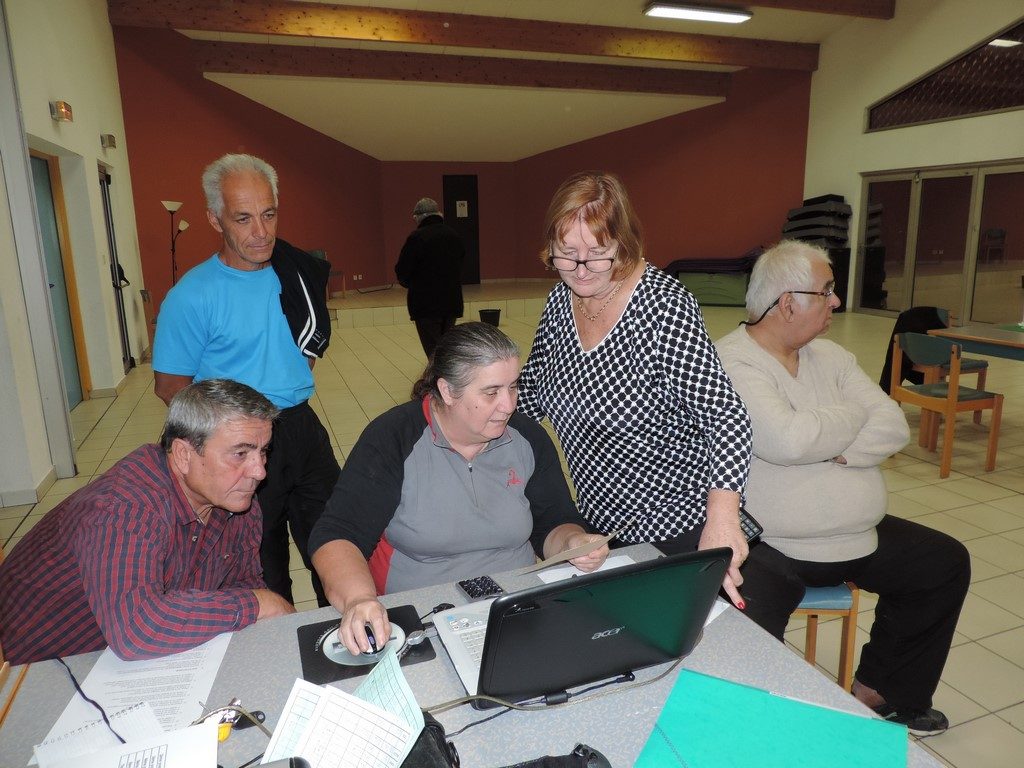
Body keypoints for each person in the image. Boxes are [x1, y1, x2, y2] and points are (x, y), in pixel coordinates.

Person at [715, 240, 970, 736]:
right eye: (826, 291)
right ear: (788, 302)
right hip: (777, 543)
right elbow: (787, 440)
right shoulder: (731, 362)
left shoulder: (829, 355)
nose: (836, 302)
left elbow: (893, 425)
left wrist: (829, 439)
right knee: (755, 597)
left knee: (942, 562)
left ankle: (883, 694)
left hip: (858, 535)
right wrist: (851, 419)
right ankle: (750, 726)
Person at [517, 171, 752, 605]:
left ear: (624, 244)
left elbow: (727, 417)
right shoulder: (559, 301)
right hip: (599, 530)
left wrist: (722, 517)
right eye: (566, 253)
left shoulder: (663, 305)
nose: (581, 269)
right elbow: (531, 394)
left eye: (598, 253)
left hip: (678, 528)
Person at [309, 322, 609, 655]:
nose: (509, 405)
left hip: (514, 608)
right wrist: (359, 599)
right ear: (448, 391)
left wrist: (573, 542)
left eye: (514, 387)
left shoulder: (527, 438)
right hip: (422, 618)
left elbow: (553, 519)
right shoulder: (393, 438)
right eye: (492, 392)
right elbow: (338, 535)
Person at [153, 153, 339, 607]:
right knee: (263, 568)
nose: (261, 231)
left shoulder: (294, 273)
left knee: (335, 545)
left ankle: (348, 640)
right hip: (239, 444)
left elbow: (305, 350)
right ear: (215, 220)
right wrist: (225, 444)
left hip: (301, 428)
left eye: (269, 214)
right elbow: (170, 386)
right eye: (243, 218)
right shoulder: (192, 296)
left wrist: (282, 386)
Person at [0, 380, 296, 664]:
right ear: (183, 455)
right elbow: (136, 630)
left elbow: (243, 585)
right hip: (30, 672)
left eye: (263, 451)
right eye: (240, 453)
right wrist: (255, 605)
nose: (259, 471)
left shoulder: (235, 503)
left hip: (120, 662)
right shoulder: (123, 507)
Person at [395, 197, 465, 359]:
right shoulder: (454, 235)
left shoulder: (417, 238)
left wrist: (412, 283)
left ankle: (438, 382)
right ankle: (448, 379)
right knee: (445, 348)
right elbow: (460, 266)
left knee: (433, 350)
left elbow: (403, 271)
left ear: (420, 216)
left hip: (425, 305)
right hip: (451, 301)